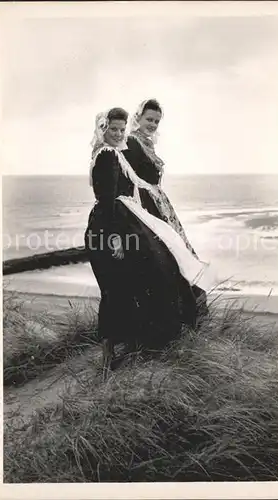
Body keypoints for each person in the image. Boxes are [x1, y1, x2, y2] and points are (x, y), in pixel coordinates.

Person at [84, 107, 211, 375]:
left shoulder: (114, 154)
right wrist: (116, 239)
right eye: (113, 129)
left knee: (142, 277)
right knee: (130, 282)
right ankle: (116, 353)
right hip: (115, 224)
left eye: (121, 129)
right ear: (102, 131)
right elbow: (106, 199)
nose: (119, 133)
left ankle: (134, 343)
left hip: (126, 218)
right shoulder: (107, 155)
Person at [123, 98, 208, 308]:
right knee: (168, 250)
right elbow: (128, 177)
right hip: (145, 201)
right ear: (138, 118)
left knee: (177, 248)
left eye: (156, 121)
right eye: (149, 119)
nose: (152, 124)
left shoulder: (147, 142)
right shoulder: (132, 142)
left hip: (158, 200)